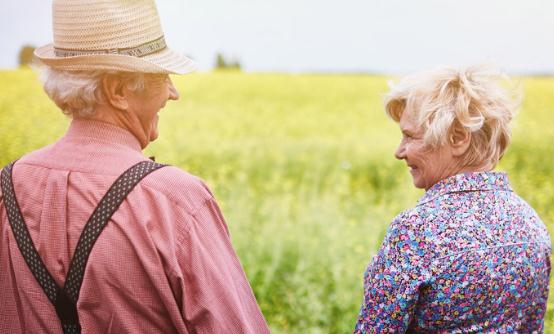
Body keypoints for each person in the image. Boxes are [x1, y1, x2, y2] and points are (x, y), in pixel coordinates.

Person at [0, 1, 270, 333]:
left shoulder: (6, 188)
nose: (173, 92)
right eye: (162, 76)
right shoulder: (174, 201)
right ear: (118, 91)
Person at [354, 66, 551, 333]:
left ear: (457, 138)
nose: (399, 151)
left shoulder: (416, 231)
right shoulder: (531, 224)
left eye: (410, 136)